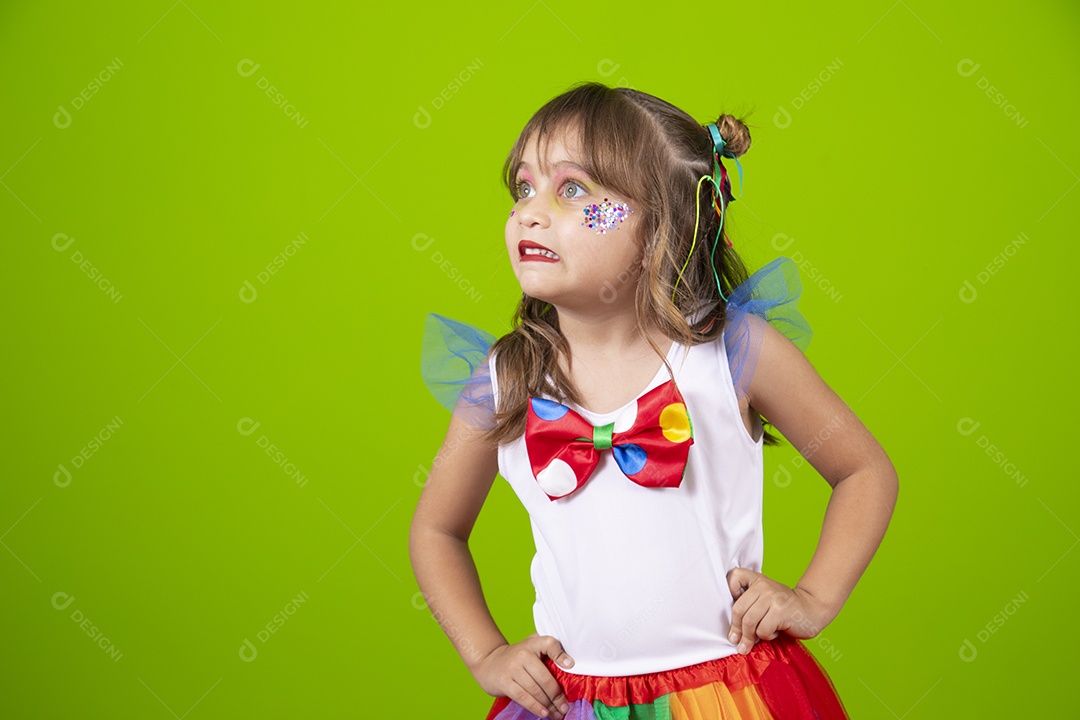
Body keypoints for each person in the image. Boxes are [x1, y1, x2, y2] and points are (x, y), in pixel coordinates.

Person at [409, 81, 898, 720]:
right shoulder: (507, 377)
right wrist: (486, 654)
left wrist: (812, 597)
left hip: (728, 696)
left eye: (573, 190)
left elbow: (864, 472)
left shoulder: (732, 352)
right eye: (524, 188)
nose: (529, 212)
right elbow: (436, 529)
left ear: (661, 220)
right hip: (572, 701)